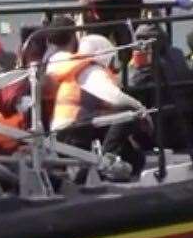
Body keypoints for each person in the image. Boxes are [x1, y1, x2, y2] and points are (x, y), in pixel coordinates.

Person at [48, 34, 147, 180]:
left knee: (136, 157)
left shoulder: (76, 69)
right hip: (73, 130)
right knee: (128, 112)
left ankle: (115, 159)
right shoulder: (91, 71)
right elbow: (117, 99)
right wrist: (141, 109)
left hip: (70, 132)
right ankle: (107, 162)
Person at [125, 23, 193, 152]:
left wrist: (134, 66)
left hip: (159, 134)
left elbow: (131, 85)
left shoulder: (147, 62)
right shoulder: (178, 53)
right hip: (185, 129)